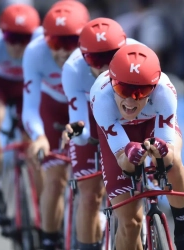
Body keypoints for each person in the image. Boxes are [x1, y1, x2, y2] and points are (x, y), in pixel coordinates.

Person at [89, 44, 184, 250]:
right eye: (122, 90)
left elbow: (168, 155)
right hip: (121, 132)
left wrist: (162, 152)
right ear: (111, 82)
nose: (130, 100)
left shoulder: (165, 92)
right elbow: (124, 162)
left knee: (172, 163)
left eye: (140, 92)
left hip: (151, 125)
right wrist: (130, 153)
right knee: (131, 223)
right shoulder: (101, 98)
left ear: (154, 88)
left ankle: (183, 235)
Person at [61, 17, 140, 249]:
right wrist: (78, 133)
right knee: (89, 195)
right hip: (90, 116)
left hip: (127, 117)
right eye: (96, 59)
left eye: (111, 57)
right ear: (84, 57)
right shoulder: (73, 69)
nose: (105, 67)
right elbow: (80, 124)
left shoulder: (139, 56)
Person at [21, 2, 90, 249]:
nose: (62, 51)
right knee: (54, 179)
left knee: (94, 184)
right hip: (52, 108)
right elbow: (29, 106)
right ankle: (50, 242)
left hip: (85, 109)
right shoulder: (34, 52)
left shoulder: (96, 52)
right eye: (54, 43)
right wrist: (38, 135)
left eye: (70, 42)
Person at [0, 3, 40, 226]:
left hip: (26, 88)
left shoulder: (41, 41)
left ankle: (41, 209)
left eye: (24, 38)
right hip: (1, 86)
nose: (17, 45)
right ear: (3, 34)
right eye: (11, 37)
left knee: (33, 144)